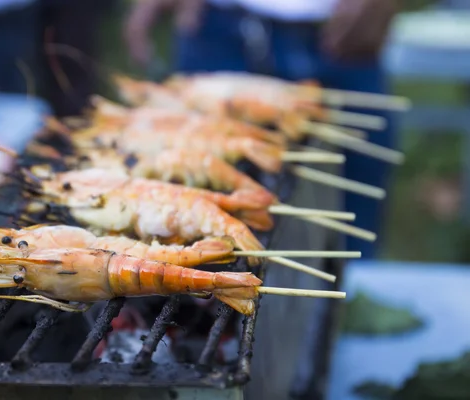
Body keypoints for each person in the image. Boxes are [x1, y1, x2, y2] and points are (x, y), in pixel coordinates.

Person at [123, 0, 399, 259]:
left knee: (353, 221)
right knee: (188, 222)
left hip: (343, 35)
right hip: (219, 32)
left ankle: (352, 299)